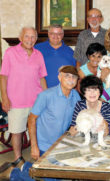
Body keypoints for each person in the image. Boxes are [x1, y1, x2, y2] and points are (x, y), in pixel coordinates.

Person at [7, 65, 80, 180]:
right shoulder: (46, 95)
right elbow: (31, 119)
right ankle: (14, 174)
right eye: (67, 76)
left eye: (74, 77)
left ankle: (28, 167)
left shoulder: (75, 95)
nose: (71, 79)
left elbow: (78, 116)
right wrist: (34, 146)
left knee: (60, 176)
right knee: (51, 178)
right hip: (44, 146)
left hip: (60, 145)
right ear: (59, 77)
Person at [0, 27, 47, 175]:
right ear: (20, 37)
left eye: (33, 37)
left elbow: (42, 77)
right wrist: (5, 98)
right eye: (27, 36)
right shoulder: (10, 53)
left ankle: (39, 155)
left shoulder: (39, 54)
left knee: (38, 129)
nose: (30, 40)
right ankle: (18, 158)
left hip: (36, 100)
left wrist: (46, 98)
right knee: (17, 131)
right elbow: (3, 77)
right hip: (16, 100)